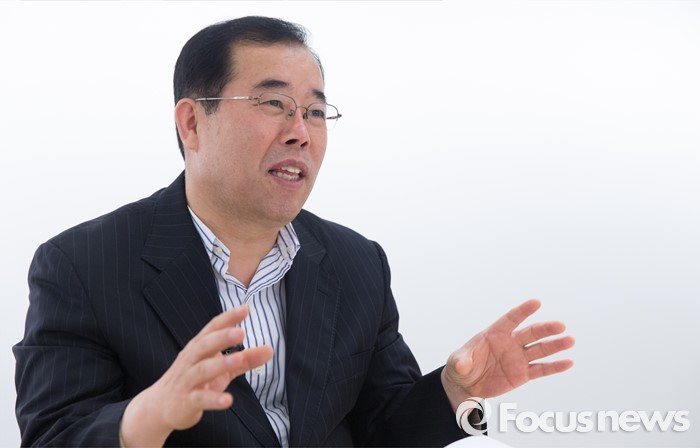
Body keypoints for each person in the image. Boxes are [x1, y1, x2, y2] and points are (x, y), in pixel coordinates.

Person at [13, 16, 575, 447]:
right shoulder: (82, 265)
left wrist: (455, 391)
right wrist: (148, 415)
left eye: (314, 112)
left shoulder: (357, 262)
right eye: (274, 103)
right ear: (192, 122)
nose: (300, 132)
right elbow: (54, 436)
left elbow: (383, 429)